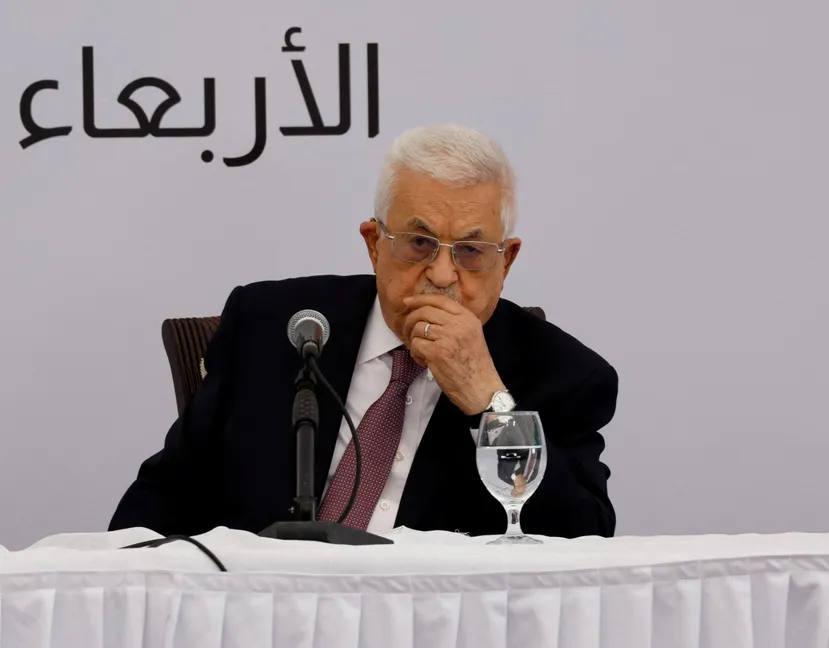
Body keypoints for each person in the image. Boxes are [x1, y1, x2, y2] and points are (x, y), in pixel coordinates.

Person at [109, 124, 619, 539]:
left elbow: (581, 542)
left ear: (506, 261)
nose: (443, 275)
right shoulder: (270, 327)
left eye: (470, 251)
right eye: (419, 243)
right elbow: (153, 511)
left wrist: (489, 404)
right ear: (374, 244)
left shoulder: (562, 373)